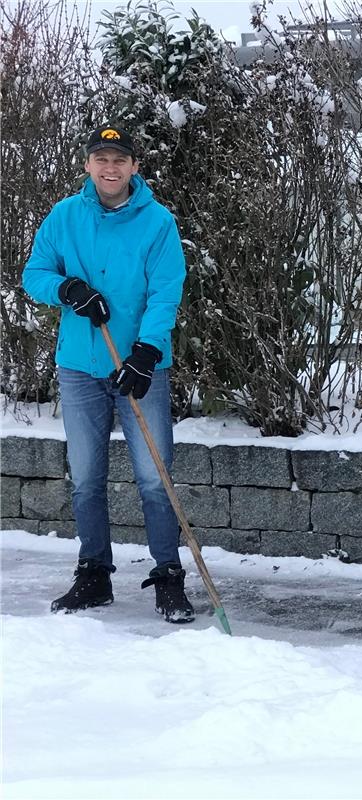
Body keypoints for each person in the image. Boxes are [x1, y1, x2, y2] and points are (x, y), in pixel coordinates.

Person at [22, 125, 194, 623]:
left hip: (141, 368)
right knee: (86, 480)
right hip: (79, 367)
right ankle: (94, 575)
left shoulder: (157, 223)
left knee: (154, 478)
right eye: (101, 159)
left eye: (120, 160)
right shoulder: (64, 217)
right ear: (88, 165)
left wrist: (146, 351)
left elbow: (166, 291)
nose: (110, 168)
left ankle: (168, 578)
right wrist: (69, 289)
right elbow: (34, 274)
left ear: (134, 167)